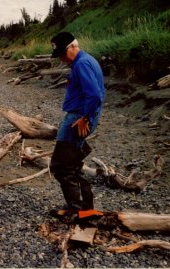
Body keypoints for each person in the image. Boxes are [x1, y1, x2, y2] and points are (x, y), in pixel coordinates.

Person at [49, 32, 105, 213]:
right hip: (78, 116)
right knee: (71, 163)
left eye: (63, 54)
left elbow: (95, 95)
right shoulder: (84, 61)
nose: (62, 59)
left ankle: (78, 209)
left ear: (73, 46)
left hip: (78, 118)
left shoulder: (82, 64)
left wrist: (86, 118)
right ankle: (84, 207)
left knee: (62, 166)